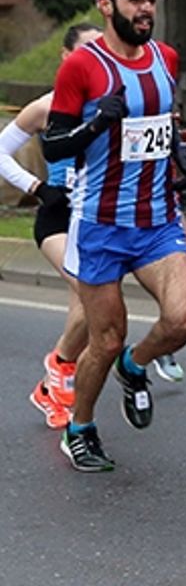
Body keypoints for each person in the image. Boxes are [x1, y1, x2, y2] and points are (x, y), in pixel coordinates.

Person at [42, 0, 186, 472]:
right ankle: (80, 427)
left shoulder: (166, 58)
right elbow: (53, 145)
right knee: (105, 339)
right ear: (106, 6)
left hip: (158, 219)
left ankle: (136, 365)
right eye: (135, 0)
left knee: (185, 320)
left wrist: (178, 150)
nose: (146, 8)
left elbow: (161, 121)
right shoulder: (81, 67)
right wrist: (95, 125)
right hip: (100, 223)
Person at [0, 23, 100, 429]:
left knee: (87, 311)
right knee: (91, 295)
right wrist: (38, 188)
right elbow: (1, 151)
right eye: (87, 50)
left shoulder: (111, 102)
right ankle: (59, 369)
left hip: (96, 218)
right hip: (58, 219)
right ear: (66, 57)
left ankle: (52, 389)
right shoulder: (47, 105)